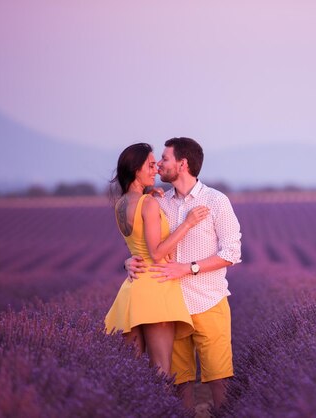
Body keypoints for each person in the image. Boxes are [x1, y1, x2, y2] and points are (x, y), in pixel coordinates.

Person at [125, 137, 242, 411]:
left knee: (219, 379)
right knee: (179, 383)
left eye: (164, 159)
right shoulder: (159, 202)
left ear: (182, 163)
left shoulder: (216, 201)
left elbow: (232, 254)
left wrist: (188, 268)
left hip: (209, 301)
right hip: (171, 305)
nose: (159, 166)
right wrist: (128, 261)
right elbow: (148, 245)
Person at [104, 143, 210, 378]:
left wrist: (126, 262)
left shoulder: (121, 204)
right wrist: (188, 223)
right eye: (150, 165)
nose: (156, 170)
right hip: (157, 288)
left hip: (133, 289)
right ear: (135, 169)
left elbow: (136, 245)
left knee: (130, 374)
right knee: (162, 371)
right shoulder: (149, 203)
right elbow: (157, 253)